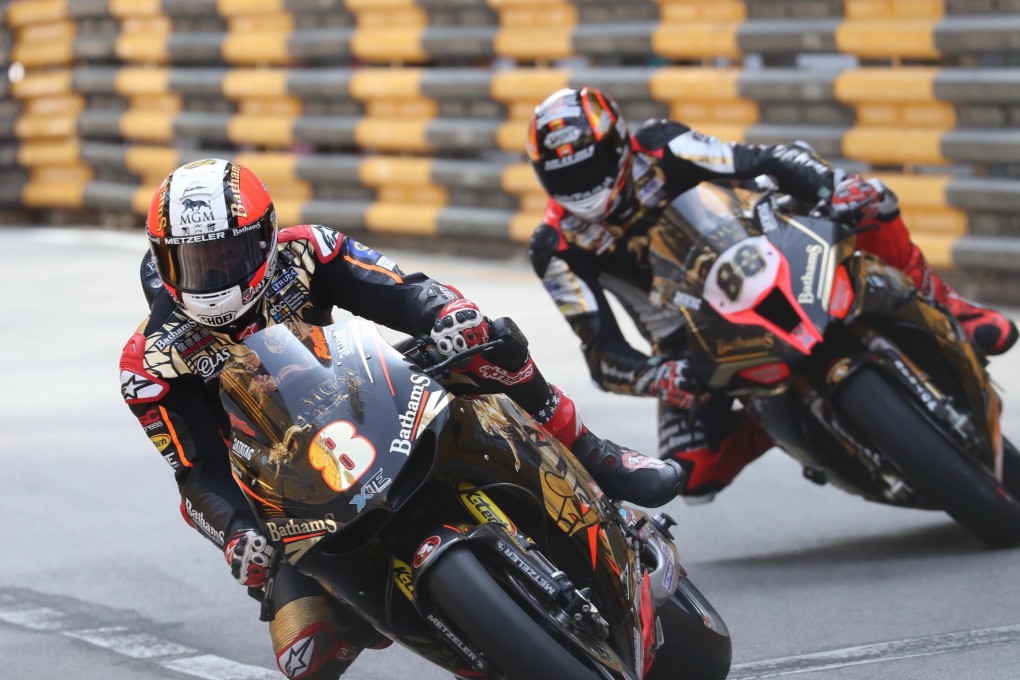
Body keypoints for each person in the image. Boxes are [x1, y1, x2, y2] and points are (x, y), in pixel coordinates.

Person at [118, 158, 684, 680]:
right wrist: (237, 534)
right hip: (285, 483)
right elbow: (198, 474)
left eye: (226, 254)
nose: (212, 274)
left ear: (264, 236)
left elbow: (405, 293)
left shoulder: (310, 250)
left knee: (490, 341)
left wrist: (449, 314)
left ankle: (593, 454)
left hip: (370, 397)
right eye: (192, 261)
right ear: (164, 260)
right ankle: (453, 639)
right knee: (305, 652)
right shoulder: (151, 362)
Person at [525, 86, 1018, 500]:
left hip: (760, 251)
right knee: (692, 475)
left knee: (872, 202)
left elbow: (766, 158)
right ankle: (775, 419)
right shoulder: (554, 246)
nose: (581, 186)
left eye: (588, 169)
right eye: (564, 176)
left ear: (618, 144)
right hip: (687, 334)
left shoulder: (662, 144)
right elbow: (602, 352)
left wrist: (833, 185)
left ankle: (946, 303)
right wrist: (661, 376)